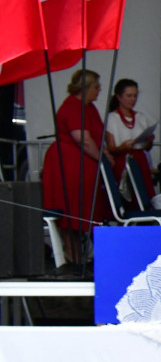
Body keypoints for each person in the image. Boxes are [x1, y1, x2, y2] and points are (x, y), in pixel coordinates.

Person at [41, 69, 113, 264]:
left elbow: (96, 137)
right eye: (96, 87)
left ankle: (80, 257)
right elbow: (83, 139)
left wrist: (104, 153)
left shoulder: (89, 107)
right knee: (71, 211)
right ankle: (72, 258)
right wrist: (101, 160)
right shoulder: (73, 107)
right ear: (86, 87)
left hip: (84, 165)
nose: (99, 90)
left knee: (84, 210)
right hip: (68, 165)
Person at [104, 78, 156, 200]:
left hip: (140, 159)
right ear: (118, 96)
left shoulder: (140, 117)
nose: (133, 99)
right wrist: (122, 147)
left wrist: (149, 141)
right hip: (122, 161)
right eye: (129, 96)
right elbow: (111, 148)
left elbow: (147, 148)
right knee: (127, 194)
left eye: (135, 96)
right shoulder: (112, 118)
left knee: (143, 193)